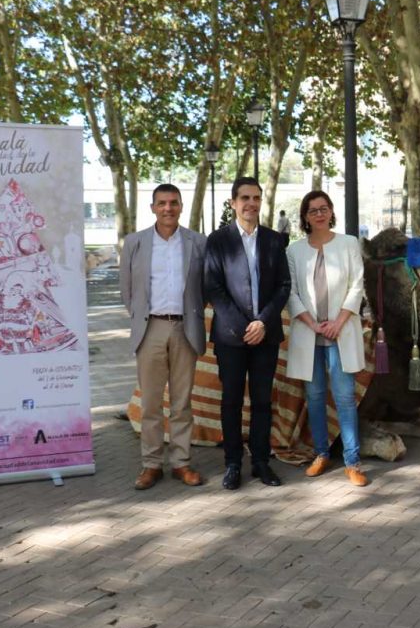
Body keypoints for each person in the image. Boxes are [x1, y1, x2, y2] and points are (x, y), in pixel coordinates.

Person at [204, 177, 292, 489]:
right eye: (244, 198)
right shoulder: (217, 240)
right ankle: (232, 464)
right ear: (233, 203)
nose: (250, 203)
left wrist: (263, 322)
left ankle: (260, 463)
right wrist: (244, 327)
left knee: (262, 401)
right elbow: (213, 287)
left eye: (256, 197)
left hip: (265, 335)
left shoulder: (273, 240)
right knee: (230, 402)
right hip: (231, 336)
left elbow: (284, 285)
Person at [119, 184, 207, 490]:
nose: (168, 208)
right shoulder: (135, 243)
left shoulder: (197, 242)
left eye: (173, 203)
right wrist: (144, 317)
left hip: (186, 329)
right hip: (150, 328)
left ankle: (181, 463)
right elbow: (127, 289)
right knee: (151, 404)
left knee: (182, 403)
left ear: (181, 206)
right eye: (162, 203)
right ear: (153, 207)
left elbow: (204, 287)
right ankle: (151, 465)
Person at [285, 191, 369, 486]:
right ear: (305, 217)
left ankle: (352, 461)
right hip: (310, 335)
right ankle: (321, 453)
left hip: (340, 332)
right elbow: (291, 292)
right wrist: (312, 323)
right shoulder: (294, 251)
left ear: (331, 211)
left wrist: (339, 321)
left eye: (323, 209)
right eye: (312, 211)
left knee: (345, 398)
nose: (319, 214)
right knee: (315, 397)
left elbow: (357, 285)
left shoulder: (348, 244)